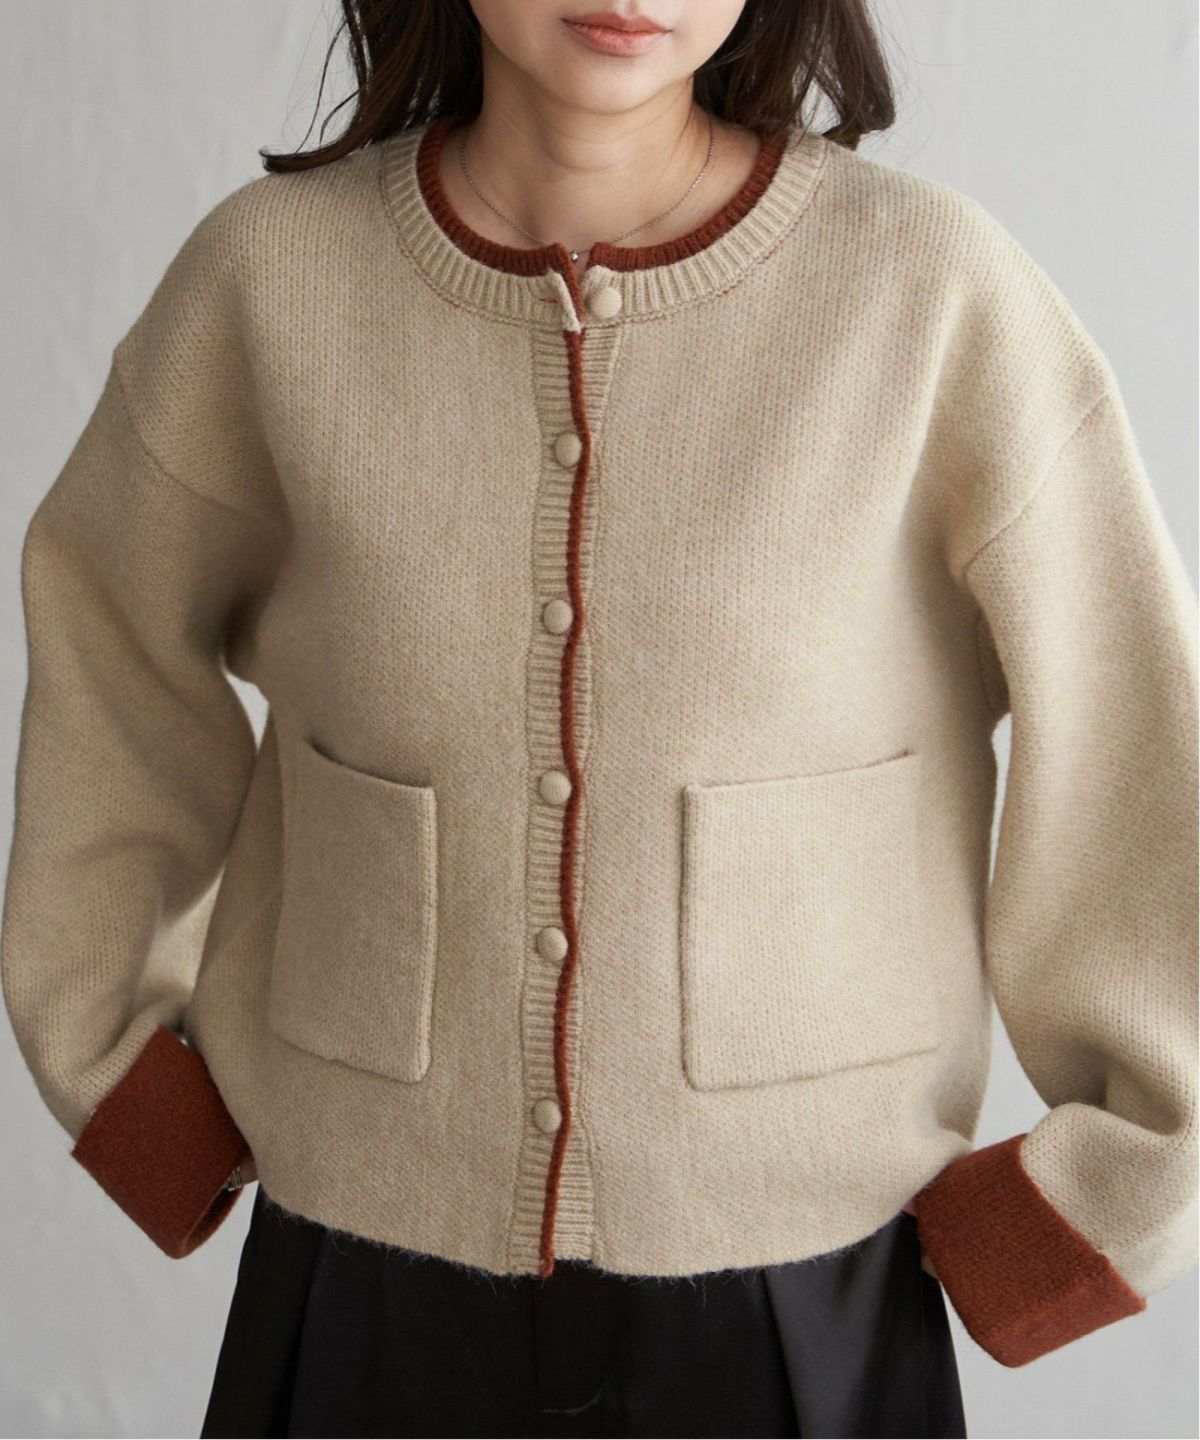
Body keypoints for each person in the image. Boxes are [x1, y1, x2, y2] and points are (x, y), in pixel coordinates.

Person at [2, 1, 1196, 1437]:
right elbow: (111, 640)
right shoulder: (269, 285)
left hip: (806, 1299)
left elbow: (1131, 738)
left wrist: (1106, 1195)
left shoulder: (929, 296)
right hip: (363, 1282)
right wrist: (124, 1081)